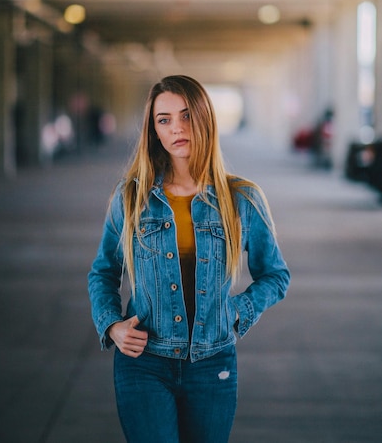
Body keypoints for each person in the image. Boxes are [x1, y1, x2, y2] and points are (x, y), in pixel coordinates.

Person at [88, 75, 290, 443]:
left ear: (204, 119)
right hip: (144, 363)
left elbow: (275, 275)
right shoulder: (132, 196)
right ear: (154, 131)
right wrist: (111, 325)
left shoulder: (241, 198)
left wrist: (238, 311)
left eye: (185, 116)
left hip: (212, 365)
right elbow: (103, 271)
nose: (176, 128)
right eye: (163, 120)